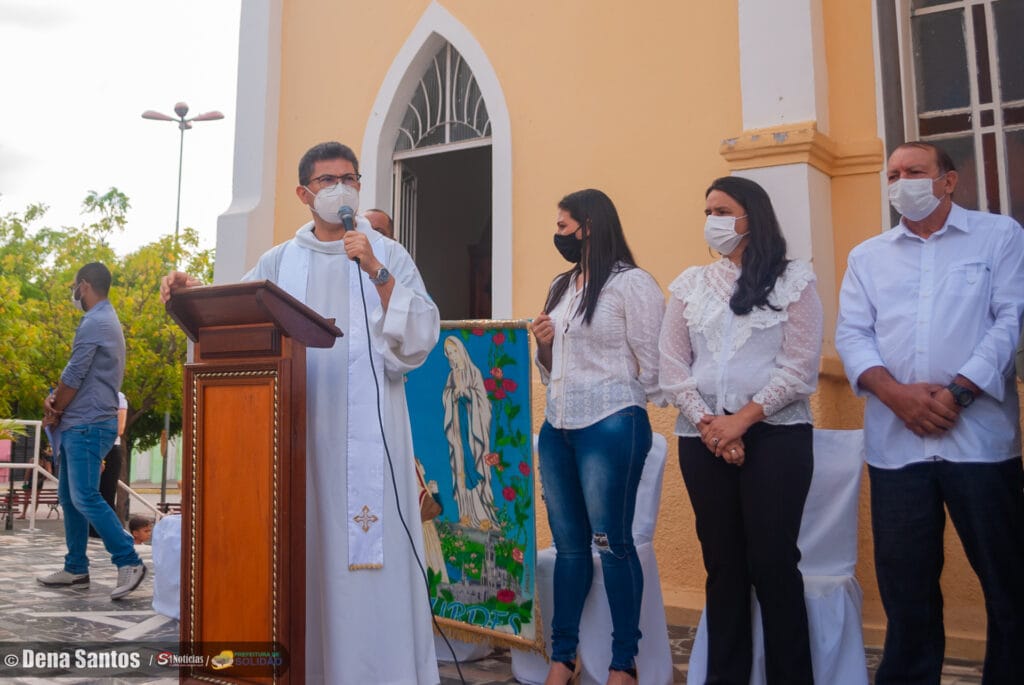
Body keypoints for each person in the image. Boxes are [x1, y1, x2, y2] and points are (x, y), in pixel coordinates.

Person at [161, 141, 441, 685]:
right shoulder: (279, 262)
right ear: (303, 193)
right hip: (295, 443)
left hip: (369, 450)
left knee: (364, 569)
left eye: (350, 178)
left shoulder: (386, 252)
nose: (341, 188)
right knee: (302, 560)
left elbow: (421, 335)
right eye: (328, 179)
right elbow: (234, 320)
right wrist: (190, 295)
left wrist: (377, 271)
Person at [836, 140, 1024, 684]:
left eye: (915, 171)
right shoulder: (868, 256)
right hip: (897, 448)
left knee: (1007, 583)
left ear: (948, 181)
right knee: (907, 590)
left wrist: (958, 393)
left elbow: (1009, 320)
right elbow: (853, 334)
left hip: (981, 442)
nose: (901, 183)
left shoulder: (999, 236)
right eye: (892, 174)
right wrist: (896, 395)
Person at [659, 176, 822, 685]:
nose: (713, 220)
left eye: (723, 209)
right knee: (723, 568)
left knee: (774, 566)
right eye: (708, 210)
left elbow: (799, 367)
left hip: (775, 436)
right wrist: (711, 427)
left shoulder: (793, 279)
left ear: (752, 216)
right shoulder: (689, 284)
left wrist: (742, 421)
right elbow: (671, 366)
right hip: (700, 436)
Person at [529, 188, 664, 685]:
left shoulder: (633, 285)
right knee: (567, 548)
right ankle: (564, 656)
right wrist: (544, 347)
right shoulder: (561, 286)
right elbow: (550, 370)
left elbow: (653, 363)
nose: (557, 235)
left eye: (563, 226)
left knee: (613, 544)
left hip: (611, 422)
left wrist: (630, 405)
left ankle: (623, 662)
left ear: (588, 225)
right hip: (558, 424)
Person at [38, 262, 147, 600]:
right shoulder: (104, 320)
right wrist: (58, 406)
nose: (74, 292)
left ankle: (129, 561)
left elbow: (74, 374)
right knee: (69, 498)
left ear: (84, 285)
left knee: (84, 495)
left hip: (87, 423)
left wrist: (56, 407)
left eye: (75, 286)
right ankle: (75, 568)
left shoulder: (95, 322)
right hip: (80, 421)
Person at [441, 335, 499, 529]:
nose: (452, 356)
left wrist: (467, 394)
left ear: (461, 351)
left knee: (475, 467)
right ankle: (465, 512)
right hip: (458, 430)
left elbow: (483, 401)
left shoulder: (473, 372)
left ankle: (481, 514)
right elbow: (446, 396)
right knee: (460, 470)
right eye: (449, 353)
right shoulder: (451, 376)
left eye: (454, 351)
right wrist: (452, 395)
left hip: (473, 433)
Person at [91, 391, 126, 538]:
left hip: (109, 448)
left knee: (107, 492)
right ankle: (88, 529)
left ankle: (104, 531)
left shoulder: (118, 397)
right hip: (90, 446)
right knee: (88, 492)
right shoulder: (88, 394)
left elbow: (119, 429)